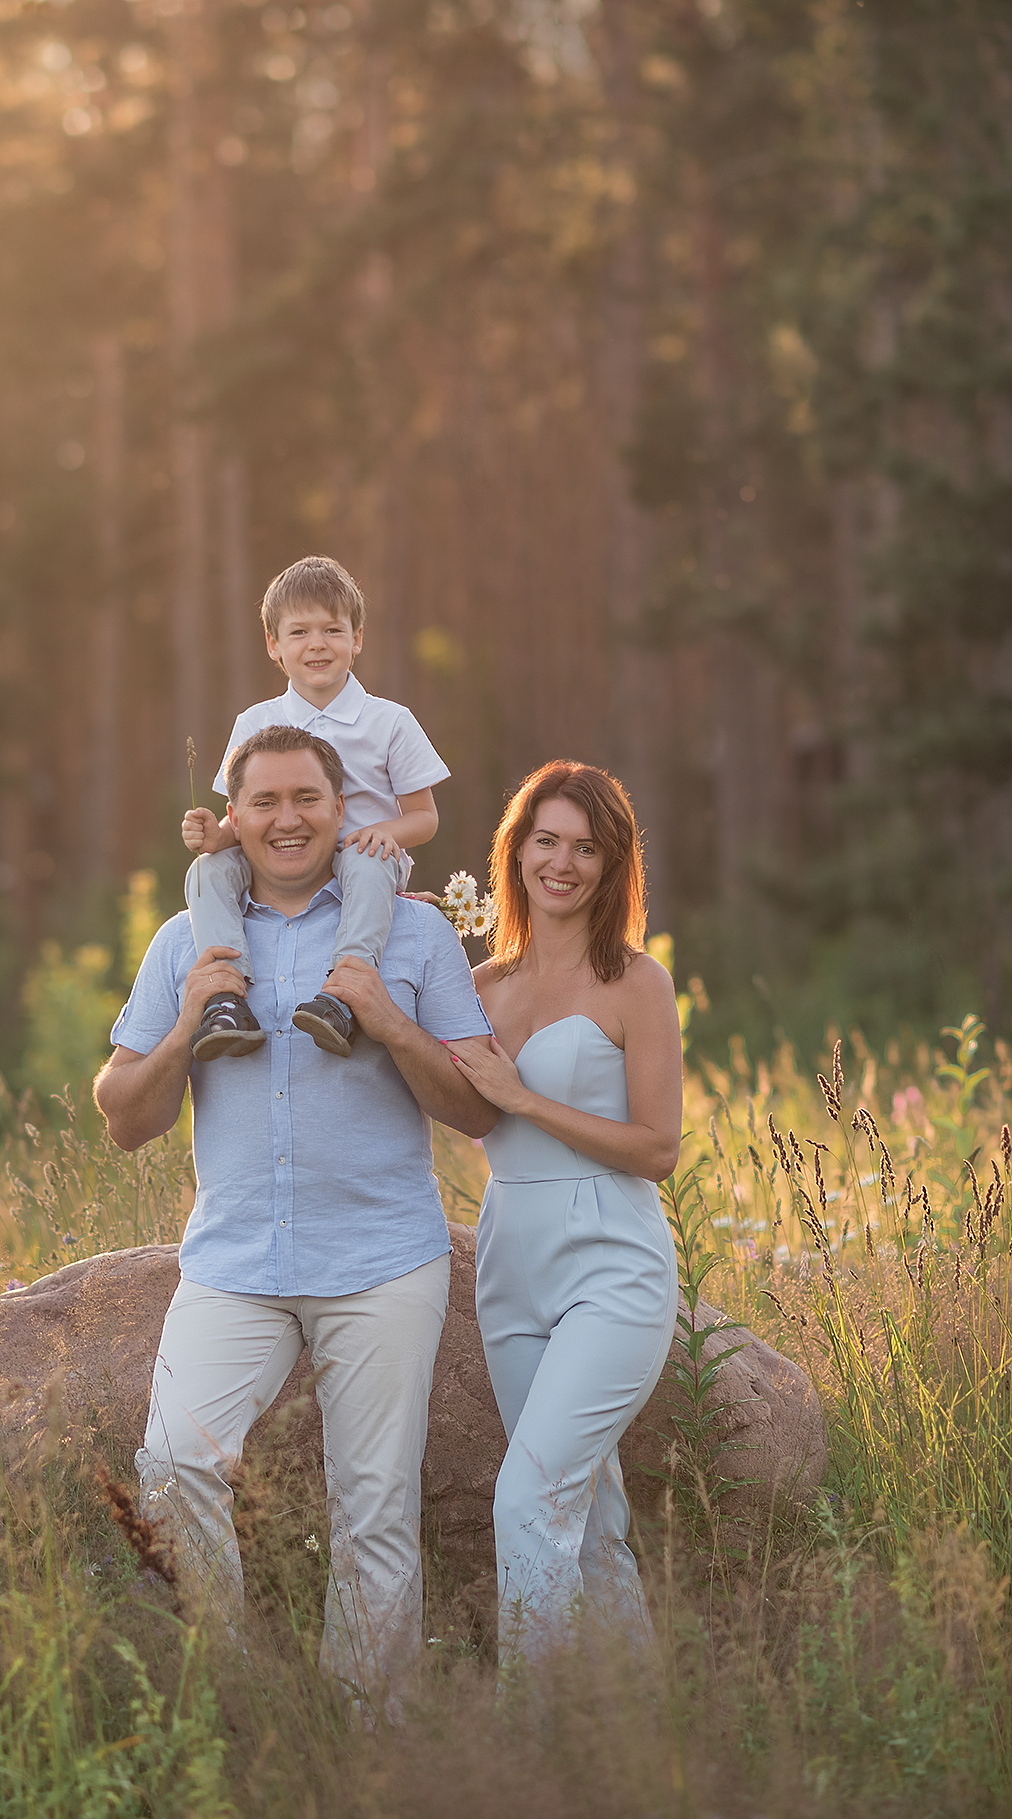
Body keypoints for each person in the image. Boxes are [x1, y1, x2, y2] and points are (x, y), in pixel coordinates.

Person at [94, 725, 496, 1707]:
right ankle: (226, 1706)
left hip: (382, 1263)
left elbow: (476, 1109)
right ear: (231, 817)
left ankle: (367, 1741)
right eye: (264, 801)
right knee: (173, 1464)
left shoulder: (414, 933)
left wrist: (387, 1019)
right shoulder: (186, 939)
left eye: (306, 798)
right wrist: (186, 1026)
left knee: (374, 1515)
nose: (287, 819)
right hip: (234, 1268)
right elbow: (124, 1120)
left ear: (342, 809)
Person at [447, 761, 683, 1664]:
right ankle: (633, 1729)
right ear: (516, 852)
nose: (563, 863)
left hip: (612, 1262)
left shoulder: (636, 983)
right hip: (510, 1258)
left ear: (612, 865)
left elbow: (657, 1149)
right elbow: (455, 1104)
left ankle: (533, 1730)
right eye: (545, 840)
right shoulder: (478, 986)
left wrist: (525, 1098)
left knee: (529, 1499)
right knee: (585, 1519)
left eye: (586, 848)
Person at [180, 555, 449, 1062]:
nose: (317, 644)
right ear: (273, 645)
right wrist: (217, 836)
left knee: (365, 864)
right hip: (280, 858)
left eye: (332, 630)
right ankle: (226, 998)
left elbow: (425, 817)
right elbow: (244, 819)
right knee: (205, 871)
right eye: (299, 632)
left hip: (363, 860)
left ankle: (343, 994)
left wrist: (386, 833)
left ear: (357, 638)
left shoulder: (389, 721)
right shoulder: (255, 722)